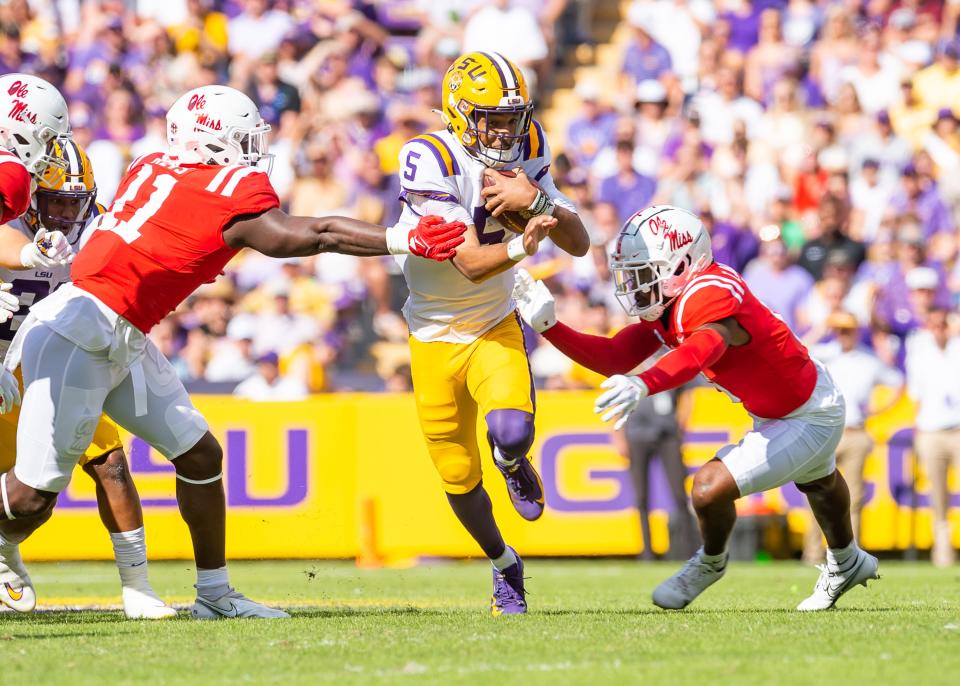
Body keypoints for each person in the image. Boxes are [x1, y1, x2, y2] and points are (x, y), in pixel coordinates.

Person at [0, 85, 467, 620]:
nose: (251, 150)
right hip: (79, 333)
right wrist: (401, 238)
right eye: (241, 139)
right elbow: (306, 235)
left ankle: (215, 594)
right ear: (211, 143)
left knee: (199, 454)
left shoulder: (155, 163)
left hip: (114, 329)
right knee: (31, 500)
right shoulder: (223, 190)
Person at [514, 205, 879, 611]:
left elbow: (706, 345)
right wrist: (550, 328)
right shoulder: (671, 304)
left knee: (707, 489)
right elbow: (615, 356)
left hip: (808, 411)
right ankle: (847, 561)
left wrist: (645, 382)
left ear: (683, 263)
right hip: (784, 407)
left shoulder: (709, 291)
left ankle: (710, 561)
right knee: (819, 481)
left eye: (643, 269)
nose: (634, 282)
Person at [394, 52, 588, 615]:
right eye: (492, 118)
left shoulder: (529, 149)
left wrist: (542, 202)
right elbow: (471, 263)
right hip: (432, 331)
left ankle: (511, 462)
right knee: (457, 475)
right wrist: (522, 245)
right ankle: (505, 564)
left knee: (511, 433)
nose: (506, 130)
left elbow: (578, 243)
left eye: (512, 118)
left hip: (493, 321)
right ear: (460, 112)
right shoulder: (428, 156)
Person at [0, 139, 176, 618]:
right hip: (4, 364)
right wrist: (33, 258)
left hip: (64, 357)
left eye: (71, 202)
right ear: (31, 198)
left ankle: (138, 587)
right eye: (53, 199)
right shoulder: (10, 218)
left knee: (110, 464)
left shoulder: (98, 226)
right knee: (28, 501)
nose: (61, 212)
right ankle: (5, 549)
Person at [804, 311, 904, 563]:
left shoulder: (868, 360)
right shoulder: (824, 354)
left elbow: (897, 381)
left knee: (853, 497)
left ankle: (849, 554)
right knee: (816, 494)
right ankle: (813, 553)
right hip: (824, 431)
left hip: (855, 431)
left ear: (856, 331)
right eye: (838, 330)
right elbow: (796, 349)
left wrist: (878, 409)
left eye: (846, 330)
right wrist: (820, 327)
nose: (842, 335)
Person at [905, 308, 960, 567]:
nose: (939, 329)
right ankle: (943, 549)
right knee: (937, 494)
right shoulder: (920, 356)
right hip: (931, 430)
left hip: (957, 429)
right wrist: (918, 429)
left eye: (943, 324)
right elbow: (915, 397)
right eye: (934, 325)